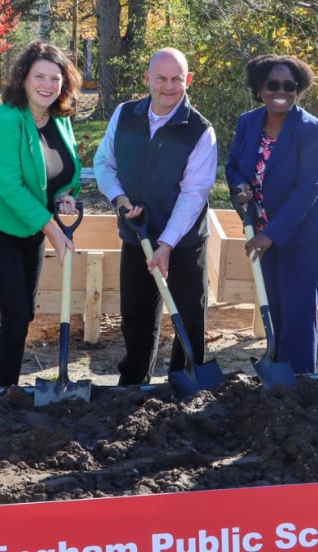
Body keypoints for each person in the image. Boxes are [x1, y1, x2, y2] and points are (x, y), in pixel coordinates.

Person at [93, 48, 218, 385]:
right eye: (160, 78)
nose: (168, 86)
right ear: (147, 78)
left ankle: (186, 382)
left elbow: (194, 194)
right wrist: (119, 199)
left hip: (184, 241)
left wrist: (166, 244)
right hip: (136, 233)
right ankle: (133, 384)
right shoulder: (124, 115)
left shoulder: (199, 131)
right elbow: (104, 162)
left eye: (177, 78)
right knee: (136, 317)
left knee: (189, 317)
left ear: (188, 80)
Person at [0, 41, 83, 387]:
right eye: (39, 77)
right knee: (16, 313)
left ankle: (7, 387)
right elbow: (9, 186)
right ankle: (2, 391)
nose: (47, 85)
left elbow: (67, 172)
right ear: (24, 79)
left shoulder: (60, 119)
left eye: (55, 78)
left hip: (33, 225)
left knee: (24, 313)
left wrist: (64, 196)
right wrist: (53, 229)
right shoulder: (6, 118)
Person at [225, 54, 318, 375]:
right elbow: (233, 166)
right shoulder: (248, 123)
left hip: (303, 236)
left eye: (290, 86)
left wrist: (270, 235)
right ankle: (277, 382)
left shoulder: (311, 131)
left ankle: (300, 386)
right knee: (275, 313)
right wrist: (240, 186)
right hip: (263, 233)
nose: (281, 91)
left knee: (298, 319)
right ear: (259, 89)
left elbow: (307, 191)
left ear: (298, 90)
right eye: (273, 85)